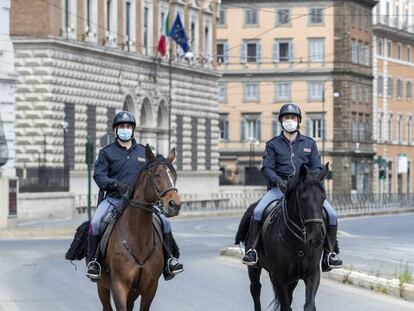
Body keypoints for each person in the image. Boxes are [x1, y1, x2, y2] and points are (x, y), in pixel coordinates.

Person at [241, 103, 342, 270]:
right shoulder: (273, 144)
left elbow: (317, 166)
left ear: (298, 121)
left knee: (331, 214)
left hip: (304, 190)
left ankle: (330, 253)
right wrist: (277, 180)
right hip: (278, 189)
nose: (290, 120)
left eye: (293, 117)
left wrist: (312, 178)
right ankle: (252, 250)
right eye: (286, 118)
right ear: (281, 121)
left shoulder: (309, 143)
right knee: (258, 211)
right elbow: (266, 167)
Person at [86, 111, 183, 280]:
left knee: (166, 222)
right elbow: (99, 176)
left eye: (128, 126)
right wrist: (115, 184)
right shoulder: (106, 152)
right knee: (95, 223)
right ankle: (94, 262)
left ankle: (170, 261)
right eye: (122, 127)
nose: (125, 129)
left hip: (141, 202)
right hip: (114, 199)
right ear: (115, 130)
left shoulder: (144, 153)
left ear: (133, 129)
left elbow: (156, 175)